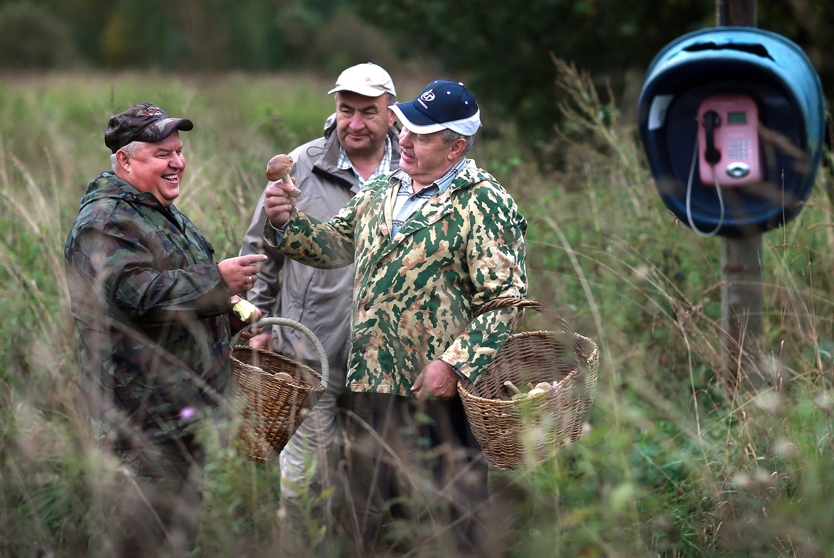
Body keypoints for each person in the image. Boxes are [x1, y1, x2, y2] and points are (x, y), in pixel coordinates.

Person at [262, 79, 528, 556]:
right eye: (404, 127)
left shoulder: (484, 202)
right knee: (389, 518)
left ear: (456, 147)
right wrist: (285, 224)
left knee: (455, 517)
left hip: (438, 393)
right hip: (374, 385)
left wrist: (453, 365)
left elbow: (505, 300)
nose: (402, 139)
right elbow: (334, 245)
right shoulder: (384, 188)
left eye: (421, 136)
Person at [64, 103, 267, 558]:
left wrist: (233, 315)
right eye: (162, 154)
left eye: (178, 151)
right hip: (142, 425)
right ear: (125, 161)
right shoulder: (105, 221)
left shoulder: (156, 211)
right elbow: (138, 293)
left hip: (184, 416)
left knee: (177, 540)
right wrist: (218, 281)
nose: (177, 162)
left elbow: (176, 300)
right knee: (141, 543)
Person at [239, 62, 400, 554]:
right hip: (309, 350)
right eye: (345, 109)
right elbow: (259, 249)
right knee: (307, 480)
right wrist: (258, 321)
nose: (355, 122)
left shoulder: (410, 166)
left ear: (391, 115)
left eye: (368, 112)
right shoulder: (301, 165)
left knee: (374, 481)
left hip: (384, 361)